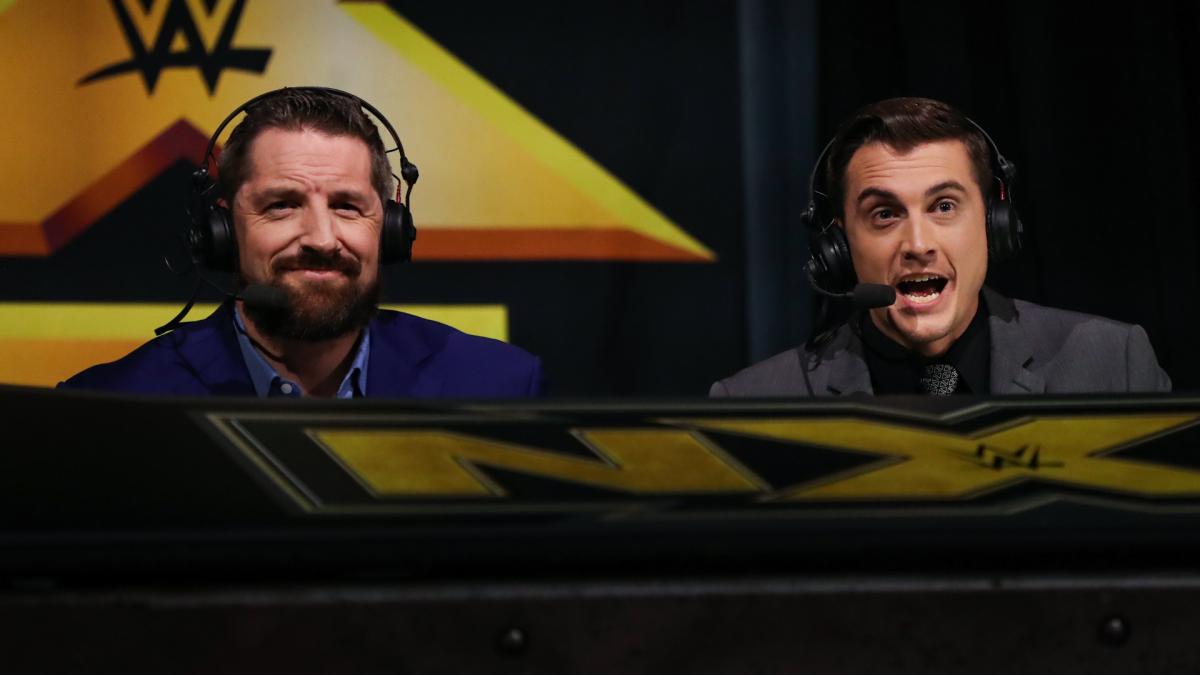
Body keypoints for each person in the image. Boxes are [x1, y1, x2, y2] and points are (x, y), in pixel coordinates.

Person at [61, 87, 542, 398]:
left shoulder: (497, 389)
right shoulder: (111, 408)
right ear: (222, 230)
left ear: (391, 227)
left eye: (347, 206)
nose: (321, 239)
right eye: (282, 205)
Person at [712, 97, 1169, 396]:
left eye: (944, 206)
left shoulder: (1114, 364)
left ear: (993, 223)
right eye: (884, 214)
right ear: (839, 243)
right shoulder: (756, 401)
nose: (917, 244)